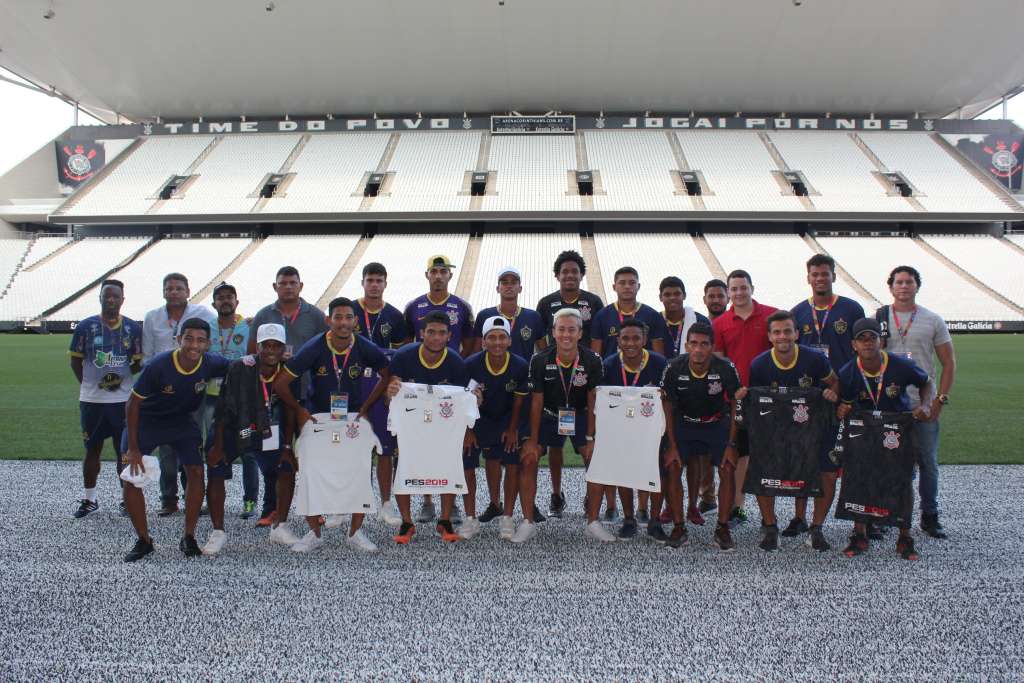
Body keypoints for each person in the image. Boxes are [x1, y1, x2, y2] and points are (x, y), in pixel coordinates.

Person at [272, 297, 390, 547]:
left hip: (353, 416)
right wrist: (300, 410)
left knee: (359, 470)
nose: (343, 323)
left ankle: (355, 533)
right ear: (328, 321)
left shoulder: (363, 346)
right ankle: (314, 533)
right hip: (319, 416)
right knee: (310, 471)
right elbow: (280, 383)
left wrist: (367, 407)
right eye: (338, 317)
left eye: (349, 317)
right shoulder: (315, 347)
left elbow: (388, 374)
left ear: (356, 321)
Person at [120, 318, 230, 561]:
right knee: (132, 476)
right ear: (178, 339)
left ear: (208, 344)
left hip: (180, 421)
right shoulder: (159, 366)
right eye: (188, 338)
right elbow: (133, 403)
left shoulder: (211, 362)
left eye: (201, 340)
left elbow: (240, 367)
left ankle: (189, 536)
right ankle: (143, 540)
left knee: (196, 471)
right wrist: (134, 447)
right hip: (147, 420)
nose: (194, 345)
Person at [836, 318, 934, 561]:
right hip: (865, 430)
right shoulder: (848, 372)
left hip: (896, 428)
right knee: (859, 478)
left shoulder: (900, 365)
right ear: (854, 345)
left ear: (881, 340)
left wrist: (926, 404)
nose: (868, 343)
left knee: (900, 480)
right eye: (862, 339)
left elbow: (927, 383)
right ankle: (859, 534)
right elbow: (845, 405)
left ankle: (904, 536)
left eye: (872, 338)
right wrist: (842, 409)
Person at [747, 310, 839, 552]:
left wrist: (832, 393)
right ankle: (770, 526)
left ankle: (816, 528)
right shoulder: (759, 364)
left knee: (828, 474)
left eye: (787, 331)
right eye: (776, 332)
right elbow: (757, 402)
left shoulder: (815, 359)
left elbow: (835, 382)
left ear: (797, 333)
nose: (782, 336)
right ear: (769, 336)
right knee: (761, 467)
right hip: (777, 428)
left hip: (813, 427)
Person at [876, 265, 955, 540]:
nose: (904, 286)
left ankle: (930, 516)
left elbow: (949, 363)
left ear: (916, 286)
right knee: (890, 462)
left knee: (927, 463)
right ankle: (888, 514)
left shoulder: (932, 319)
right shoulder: (879, 317)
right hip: (889, 405)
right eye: (899, 282)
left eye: (909, 282)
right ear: (891, 287)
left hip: (922, 404)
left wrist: (939, 401)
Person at [788, 254, 864, 535]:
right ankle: (799, 517)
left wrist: (847, 392)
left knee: (850, 456)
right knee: (803, 458)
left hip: (844, 393)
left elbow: (864, 349)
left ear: (834, 275)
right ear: (808, 277)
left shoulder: (851, 308)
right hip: (809, 398)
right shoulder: (798, 311)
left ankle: (862, 519)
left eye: (825, 274)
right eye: (815, 274)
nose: (820, 278)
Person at [248, 266, 328, 526]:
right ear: (275, 286)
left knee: (312, 455)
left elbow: (325, 351)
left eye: (293, 282)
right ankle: (271, 508)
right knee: (275, 453)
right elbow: (252, 352)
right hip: (272, 396)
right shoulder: (263, 315)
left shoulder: (314, 315)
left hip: (307, 394)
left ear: (301, 286)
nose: (288, 287)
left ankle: (315, 508)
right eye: (283, 283)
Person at [203, 323, 291, 555]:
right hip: (235, 428)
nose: (271, 350)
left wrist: (288, 446)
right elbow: (222, 408)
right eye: (266, 345)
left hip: (266, 430)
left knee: (286, 466)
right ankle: (217, 531)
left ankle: (279, 526)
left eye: (276, 345)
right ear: (257, 346)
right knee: (216, 467)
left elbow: (292, 408)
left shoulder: (289, 370)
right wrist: (219, 445)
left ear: (284, 348)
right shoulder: (240, 367)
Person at [403, 255, 477, 523]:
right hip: (421, 381)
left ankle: (452, 499)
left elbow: (469, 344)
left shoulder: (462, 306)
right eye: (433, 271)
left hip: (450, 382)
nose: (438, 276)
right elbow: (406, 343)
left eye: (443, 271)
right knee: (423, 441)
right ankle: (426, 499)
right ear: (427, 275)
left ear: (449, 276)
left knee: (450, 440)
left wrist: (456, 366)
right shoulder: (414, 306)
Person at [519, 308, 603, 544]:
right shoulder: (539, 359)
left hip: (579, 415)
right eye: (561, 329)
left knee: (594, 456)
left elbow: (592, 399)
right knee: (529, 458)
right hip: (548, 415)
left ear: (580, 333)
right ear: (553, 332)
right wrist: (533, 441)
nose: (566, 334)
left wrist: (590, 437)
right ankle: (527, 522)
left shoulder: (592, 360)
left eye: (571, 329)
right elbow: (536, 401)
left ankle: (593, 522)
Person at [385, 311, 471, 544]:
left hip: (442, 425)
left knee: (448, 462)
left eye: (441, 333)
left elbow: (463, 400)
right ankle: (406, 521)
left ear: (449, 336)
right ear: (421, 333)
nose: (435, 337)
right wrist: (391, 390)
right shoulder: (403, 356)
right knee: (402, 464)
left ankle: (444, 520)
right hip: (412, 423)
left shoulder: (455, 362)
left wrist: (475, 401)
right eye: (431, 332)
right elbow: (389, 396)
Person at [660, 322, 744, 551]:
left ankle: (722, 528)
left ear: (712, 347)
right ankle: (679, 527)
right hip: (684, 423)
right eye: (693, 344)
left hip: (716, 423)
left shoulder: (725, 367)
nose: (698, 349)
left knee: (727, 468)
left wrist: (731, 443)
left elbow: (737, 401)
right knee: (674, 466)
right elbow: (666, 403)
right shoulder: (674, 367)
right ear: (686, 345)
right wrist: (671, 444)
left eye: (704, 344)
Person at [535, 250, 604, 517]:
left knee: (588, 446)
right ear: (557, 275)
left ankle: (590, 496)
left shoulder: (592, 301)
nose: (570, 275)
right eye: (565, 271)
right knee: (554, 446)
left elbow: (595, 337)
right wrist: (546, 359)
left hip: (582, 377)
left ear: (581, 275)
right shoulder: (546, 302)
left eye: (575, 271)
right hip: (555, 380)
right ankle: (556, 494)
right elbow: (542, 339)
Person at [141, 273, 216, 517]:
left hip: (193, 389)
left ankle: (191, 497)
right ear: (164, 292)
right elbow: (147, 355)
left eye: (179, 288)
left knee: (192, 444)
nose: (174, 292)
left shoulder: (204, 314)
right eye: (169, 288)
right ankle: (168, 499)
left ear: (188, 291)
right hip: (164, 392)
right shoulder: (152, 317)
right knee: (166, 450)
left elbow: (210, 345)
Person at [69, 279, 142, 518]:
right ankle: (90, 499)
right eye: (106, 295)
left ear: (123, 299)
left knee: (123, 452)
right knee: (92, 450)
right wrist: (90, 385)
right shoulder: (85, 327)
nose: (111, 300)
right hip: (92, 402)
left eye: (115, 296)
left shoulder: (132, 328)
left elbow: (139, 361)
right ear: (100, 298)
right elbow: (75, 361)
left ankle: (126, 500)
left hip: (122, 403)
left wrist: (118, 380)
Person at [711, 269, 777, 525]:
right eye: (734, 289)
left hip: (768, 398)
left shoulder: (771, 315)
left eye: (743, 287)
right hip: (736, 399)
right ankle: (737, 507)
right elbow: (719, 361)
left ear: (752, 288)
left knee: (770, 455)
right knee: (740, 454)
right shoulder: (720, 323)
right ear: (728, 293)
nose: (739, 293)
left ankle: (769, 516)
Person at [597, 319, 667, 540]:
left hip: (652, 430)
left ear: (644, 340)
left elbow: (668, 399)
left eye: (636, 337)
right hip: (621, 429)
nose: (630, 343)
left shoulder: (659, 363)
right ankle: (629, 519)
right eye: (625, 338)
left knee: (656, 472)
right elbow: (601, 399)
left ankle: (655, 521)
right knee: (623, 471)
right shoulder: (608, 365)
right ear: (618, 340)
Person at [349, 262, 407, 525]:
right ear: (363, 282)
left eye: (379, 280)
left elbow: (398, 358)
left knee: (385, 448)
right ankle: (349, 502)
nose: (374, 284)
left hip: (382, 386)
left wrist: (392, 386)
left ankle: (386, 503)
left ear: (385, 283)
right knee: (353, 446)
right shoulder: (349, 311)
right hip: (353, 384)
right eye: (370, 280)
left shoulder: (395, 316)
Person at [463, 316, 530, 540]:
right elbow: (463, 401)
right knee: (467, 463)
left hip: (507, 418)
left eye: (502, 337)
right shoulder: (471, 364)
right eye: (492, 337)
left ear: (510, 341)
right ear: (483, 341)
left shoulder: (520, 365)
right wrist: (468, 431)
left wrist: (512, 430)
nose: (497, 342)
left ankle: (507, 517)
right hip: (478, 420)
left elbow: (519, 402)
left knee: (512, 463)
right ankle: (470, 518)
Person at [651, 275, 711, 525]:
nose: (672, 298)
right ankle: (669, 504)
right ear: (661, 297)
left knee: (695, 454)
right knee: (666, 452)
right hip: (664, 393)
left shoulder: (699, 320)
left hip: (694, 392)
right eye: (668, 294)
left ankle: (693, 505)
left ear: (684, 295)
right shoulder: (654, 321)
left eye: (677, 293)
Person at [200, 282, 262, 520]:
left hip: (243, 397)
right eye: (220, 297)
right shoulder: (207, 328)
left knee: (248, 450)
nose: (225, 301)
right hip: (212, 397)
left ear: (237, 301)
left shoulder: (248, 326)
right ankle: (214, 500)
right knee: (213, 446)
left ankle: (250, 502)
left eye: (229, 297)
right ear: (213, 303)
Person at [694, 278, 730, 517]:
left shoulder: (731, 322)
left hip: (730, 395)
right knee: (702, 453)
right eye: (712, 296)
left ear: (727, 298)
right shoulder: (698, 324)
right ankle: (707, 497)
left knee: (730, 452)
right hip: (703, 396)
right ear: (704, 298)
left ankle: (732, 505)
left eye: (720, 295)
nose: (716, 300)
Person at [590, 266, 668, 357]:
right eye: (622, 283)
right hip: (612, 370)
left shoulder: (652, 315)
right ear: (614, 287)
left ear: (638, 286)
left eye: (632, 283)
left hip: (644, 370)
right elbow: (595, 356)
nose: (627, 287)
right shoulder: (602, 316)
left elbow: (659, 356)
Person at [473, 266, 544, 361]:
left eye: (514, 282)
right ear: (498, 288)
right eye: (504, 282)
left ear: (520, 288)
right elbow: (476, 351)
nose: (509, 286)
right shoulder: (484, 315)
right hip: (491, 374)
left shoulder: (533, 317)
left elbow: (543, 352)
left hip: (523, 374)